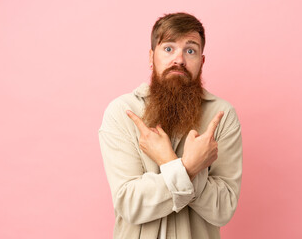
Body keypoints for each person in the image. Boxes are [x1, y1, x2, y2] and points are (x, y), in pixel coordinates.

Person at [98, 12, 242, 239]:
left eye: (190, 50)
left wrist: (168, 162)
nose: (179, 60)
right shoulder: (121, 112)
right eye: (168, 49)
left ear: (202, 62)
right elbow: (130, 204)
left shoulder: (223, 116)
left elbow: (223, 208)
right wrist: (190, 167)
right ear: (150, 56)